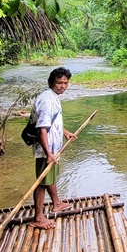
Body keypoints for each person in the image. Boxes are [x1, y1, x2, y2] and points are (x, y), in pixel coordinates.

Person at [31, 67, 74, 229]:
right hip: (45, 149)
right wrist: (48, 152)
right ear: (51, 82)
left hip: (52, 148)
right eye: (59, 83)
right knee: (42, 182)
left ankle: (56, 203)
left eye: (65, 83)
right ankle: (38, 218)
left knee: (50, 177)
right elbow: (42, 128)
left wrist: (65, 132)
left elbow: (52, 122)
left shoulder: (53, 96)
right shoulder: (48, 100)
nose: (62, 86)